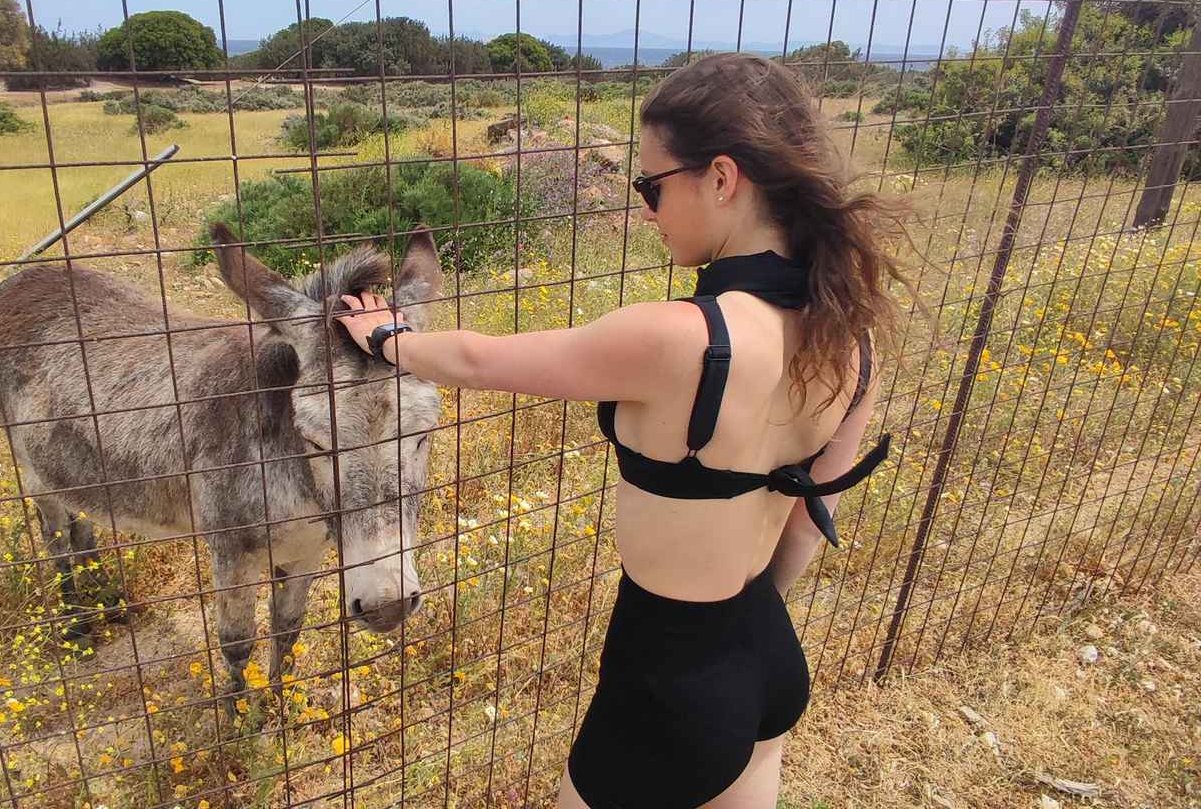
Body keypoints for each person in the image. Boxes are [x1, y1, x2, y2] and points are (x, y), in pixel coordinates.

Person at [336, 52, 910, 808]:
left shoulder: (682, 337)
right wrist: (737, 642)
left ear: (722, 178)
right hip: (764, 650)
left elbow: (477, 360)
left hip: (668, 678)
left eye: (651, 185)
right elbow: (806, 525)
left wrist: (385, 338)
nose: (645, 208)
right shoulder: (852, 333)